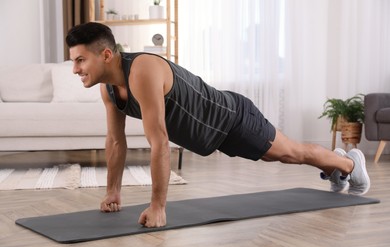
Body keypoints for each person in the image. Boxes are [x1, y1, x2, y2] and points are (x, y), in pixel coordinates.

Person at [65, 22, 370, 228]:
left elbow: (159, 141)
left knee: (288, 153)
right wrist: (113, 192)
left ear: (106, 54)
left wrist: (158, 206)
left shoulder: (142, 70)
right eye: (73, 62)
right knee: (282, 153)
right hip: (215, 134)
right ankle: (339, 168)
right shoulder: (108, 90)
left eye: (80, 60)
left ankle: (349, 165)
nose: (75, 69)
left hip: (232, 118)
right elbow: (116, 142)